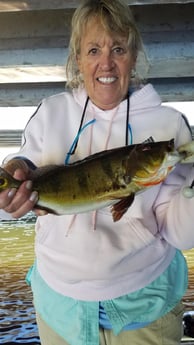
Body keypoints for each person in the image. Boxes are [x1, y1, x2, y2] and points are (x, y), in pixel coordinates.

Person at [0, 0, 194, 344]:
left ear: (133, 57)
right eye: (93, 50)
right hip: (60, 308)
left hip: (143, 309)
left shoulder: (168, 126)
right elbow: (25, 163)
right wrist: (14, 175)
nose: (106, 62)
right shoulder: (51, 112)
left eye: (118, 48)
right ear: (78, 59)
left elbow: (182, 235)